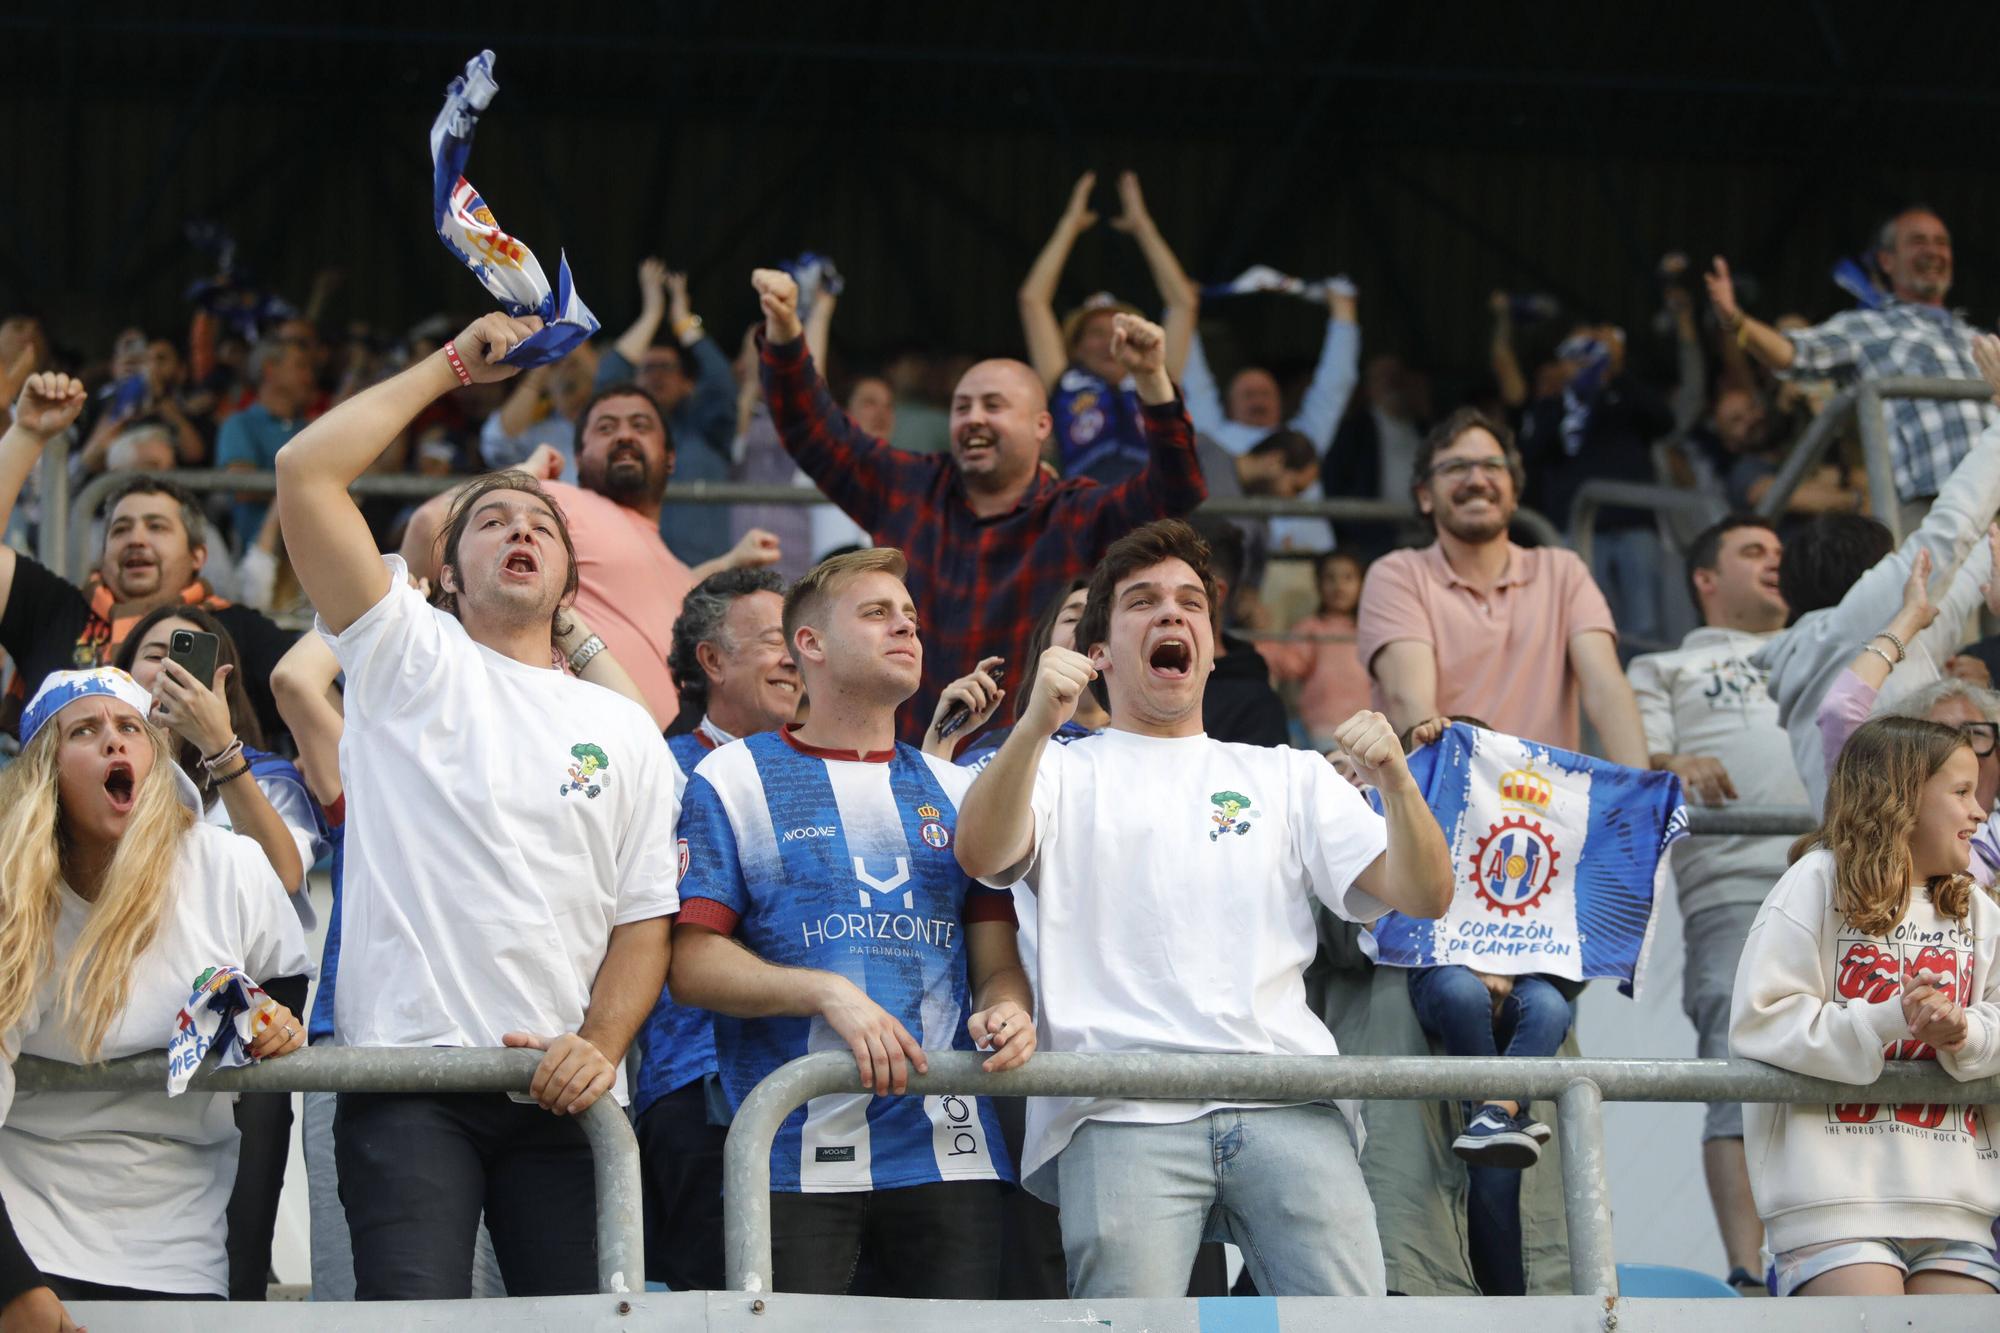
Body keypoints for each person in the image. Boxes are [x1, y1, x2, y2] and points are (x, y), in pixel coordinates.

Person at [275, 310, 682, 1300]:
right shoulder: (406, 652)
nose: (520, 528)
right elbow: (303, 473)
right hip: (410, 1079)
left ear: (566, 583)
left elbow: (645, 920)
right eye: (491, 520)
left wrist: (599, 1045)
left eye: (541, 523)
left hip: (563, 1087)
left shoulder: (620, 725)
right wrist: (453, 368)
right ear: (443, 577)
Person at [954, 518, 1453, 1297]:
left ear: (1213, 646)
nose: (1172, 614)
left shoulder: (1287, 772)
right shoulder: (1055, 769)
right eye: (1142, 601)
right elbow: (981, 855)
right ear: (1099, 653)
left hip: (1290, 1099)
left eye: (1192, 602)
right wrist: (1032, 726)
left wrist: (1396, 778)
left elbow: (1424, 894)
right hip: (1118, 1108)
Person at [667, 548, 1036, 1298]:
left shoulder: (957, 785)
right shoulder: (733, 775)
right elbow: (692, 962)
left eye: (910, 618)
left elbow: (996, 962)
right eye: (876, 613)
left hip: (949, 1147)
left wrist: (1011, 1008)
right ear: (809, 644)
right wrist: (825, 992)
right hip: (790, 1147)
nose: (905, 627)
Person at [753, 267, 1206, 745]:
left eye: (993, 406)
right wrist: (785, 336)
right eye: (962, 407)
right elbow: (814, 432)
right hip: (908, 760)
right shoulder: (910, 485)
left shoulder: (1076, 514)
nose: (974, 419)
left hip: (1026, 773)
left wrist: (1152, 380)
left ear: (1042, 427)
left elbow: (1177, 490)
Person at [0, 667, 309, 1307]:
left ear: (154, 757)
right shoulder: (12, 901)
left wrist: (268, 1026)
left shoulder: (227, 869)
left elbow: (268, 1097)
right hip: (24, 1224)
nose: (115, 742)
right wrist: (14, 1286)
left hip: (181, 1238)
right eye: (85, 730)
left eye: (130, 728)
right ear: (44, 774)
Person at [1730, 716, 2000, 1298]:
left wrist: (1964, 1034)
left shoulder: (1976, 906)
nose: (1980, 811)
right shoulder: (1816, 881)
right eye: (1960, 792)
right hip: (1832, 1203)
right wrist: (1890, 1019)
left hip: (1958, 1205)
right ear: (1899, 799)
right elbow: (1762, 1020)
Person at [1624, 515, 1804, 1293]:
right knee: (1736, 1071)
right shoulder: (1662, 666)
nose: (1775, 563)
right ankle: (1746, 1271)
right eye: (1753, 552)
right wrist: (1671, 759)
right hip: (1732, 889)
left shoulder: (1820, 642)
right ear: (1706, 579)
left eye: (1780, 553)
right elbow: (1639, 761)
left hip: (1842, 883)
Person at [401, 384, 782, 729]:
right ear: (579, 458)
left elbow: (649, 594)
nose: (624, 435)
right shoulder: (550, 506)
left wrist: (728, 563)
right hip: (574, 748)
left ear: (670, 459)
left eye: (640, 425)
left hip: (662, 772)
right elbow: (429, 526)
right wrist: (522, 475)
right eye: (606, 428)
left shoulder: (669, 560)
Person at [630, 566, 797, 1293]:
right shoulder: (659, 774)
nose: (796, 654)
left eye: (803, 638)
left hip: (827, 1093)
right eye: (773, 640)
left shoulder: (832, 771)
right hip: (701, 1087)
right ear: (713, 660)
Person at [1755, 335, 2000, 810]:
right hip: (1885, 873)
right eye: (1893, 560)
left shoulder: (1872, 638)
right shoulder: (1849, 624)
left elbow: (1977, 552)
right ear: (1872, 578)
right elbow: (1954, 526)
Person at [0, 374, 295, 741]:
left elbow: (316, 701)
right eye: (120, 529)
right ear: (102, 551)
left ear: (197, 556)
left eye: (157, 527)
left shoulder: (236, 629)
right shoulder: (55, 611)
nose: (136, 539)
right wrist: (27, 433)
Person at [1356, 407, 1649, 766]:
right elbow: (1410, 704)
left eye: (1493, 466)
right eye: (1456, 467)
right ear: (1425, 496)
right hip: (1443, 798)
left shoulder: (1563, 571)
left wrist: (1643, 801)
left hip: (1547, 804)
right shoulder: (1397, 574)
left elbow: (1607, 690)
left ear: (1514, 492)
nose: (1477, 480)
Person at [1706, 208, 1998, 522]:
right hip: (1938, 501)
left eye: (1941, 243)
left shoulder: (1978, 337)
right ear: (1887, 260)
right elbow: (1791, 353)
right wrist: (1735, 320)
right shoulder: (1868, 327)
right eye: (1918, 241)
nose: (1933, 250)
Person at [1018, 171, 1198, 483]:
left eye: (1119, 330)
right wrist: (1069, 226)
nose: (1109, 342)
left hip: (1151, 507)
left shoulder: (1157, 375)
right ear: (1075, 346)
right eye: (1095, 333)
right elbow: (1032, 300)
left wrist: (1143, 227)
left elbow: (1184, 303)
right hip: (1086, 506)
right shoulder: (1062, 379)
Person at [1517, 324, 1675, 645]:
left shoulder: (1623, 397)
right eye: (1573, 353)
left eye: (1591, 351)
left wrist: (1616, 371)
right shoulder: (1552, 407)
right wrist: (1570, 394)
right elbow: (1532, 452)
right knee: (1584, 623)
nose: (1583, 361)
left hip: (1633, 525)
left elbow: (1663, 420)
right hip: (1579, 528)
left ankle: (1642, 692)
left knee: (1644, 625)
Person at [1184, 280, 1360, 556]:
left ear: (1282, 401)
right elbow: (1191, 376)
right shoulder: (1213, 436)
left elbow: (1335, 384)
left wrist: (1344, 313)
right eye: (1248, 394)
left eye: (1266, 394)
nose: (1258, 401)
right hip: (1234, 566)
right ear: (1229, 404)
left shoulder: (1304, 442)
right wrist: (1183, 309)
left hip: (1307, 568)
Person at [595, 259, 739, 566]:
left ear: (688, 382)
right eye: (646, 369)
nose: (655, 376)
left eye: (666, 368)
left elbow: (720, 384)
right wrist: (651, 315)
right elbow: (606, 386)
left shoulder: (708, 430)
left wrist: (683, 320)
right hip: (636, 569)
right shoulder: (626, 436)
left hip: (703, 573)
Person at [1188, 515, 1289, 747]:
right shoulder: (1132, 676)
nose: (1161, 610)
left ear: (1215, 592)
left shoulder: (1257, 705)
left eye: (1181, 591)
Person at [1262, 550, 1372, 749]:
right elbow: (1292, 664)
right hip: (1322, 728)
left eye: (1348, 577)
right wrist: (1259, 641)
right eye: (1330, 578)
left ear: (1362, 584)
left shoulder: (1370, 628)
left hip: (1366, 726)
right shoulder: (1311, 628)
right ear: (1318, 584)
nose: (1339, 586)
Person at [216, 337, 317, 544]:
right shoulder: (240, 424)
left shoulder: (311, 427)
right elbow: (242, 485)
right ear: (270, 370)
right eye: (300, 366)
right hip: (261, 559)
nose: (309, 377)